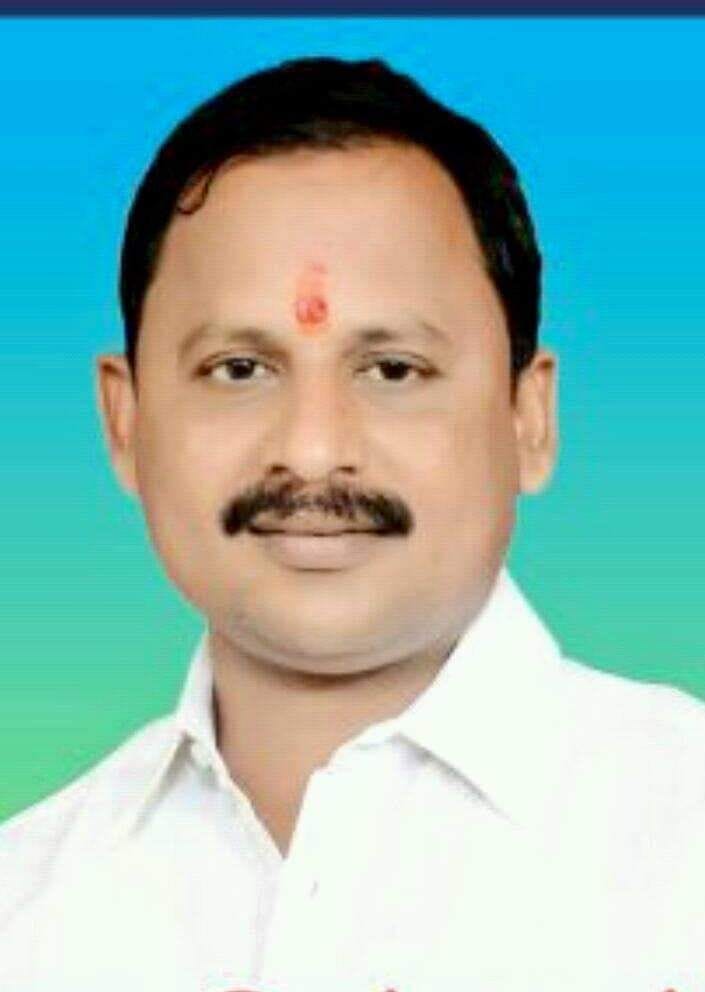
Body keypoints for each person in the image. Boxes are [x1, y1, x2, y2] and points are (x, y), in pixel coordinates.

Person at [1, 55, 703, 992]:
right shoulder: (24, 911)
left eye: (392, 370)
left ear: (528, 419)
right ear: (124, 423)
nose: (314, 450)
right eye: (239, 370)